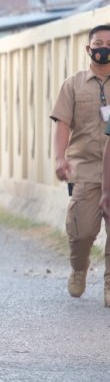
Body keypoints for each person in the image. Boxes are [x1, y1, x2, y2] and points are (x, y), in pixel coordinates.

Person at [57, 24, 110, 307]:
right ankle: (79, 266)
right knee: (82, 231)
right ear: (89, 49)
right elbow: (62, 124)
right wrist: (59, 158)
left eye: (109, 43)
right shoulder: (73, 84)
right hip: (84, 167)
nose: (104, 48)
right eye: (98, 43)